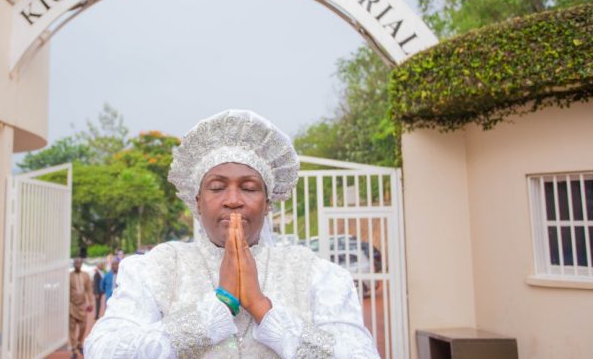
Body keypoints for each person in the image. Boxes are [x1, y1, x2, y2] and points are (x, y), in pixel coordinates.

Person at [85, 110, 378, 358]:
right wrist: (218, 306)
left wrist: (263, 309)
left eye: (249, 188)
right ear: (197, 201)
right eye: (217, 187)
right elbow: (103, 350)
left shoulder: (315, 273)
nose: (233, 200)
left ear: (268, 203)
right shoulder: (156, 269)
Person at [69, 257, 94, 358]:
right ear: (73, 264)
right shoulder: (69, 276)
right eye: (76, 263)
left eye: (79, 263)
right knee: (72, 328)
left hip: (82, 306)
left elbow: (89, 290)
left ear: (81, 264)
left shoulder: (85, 275)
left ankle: (79, 343)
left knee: (83, 326)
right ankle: (74, 349)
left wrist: (91, 302)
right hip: (71, 306)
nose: (77, 265)